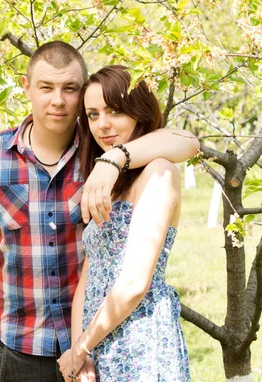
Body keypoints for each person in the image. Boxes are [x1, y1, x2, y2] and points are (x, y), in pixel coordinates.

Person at [0, 41, 198, 382]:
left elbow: (185, 141)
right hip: (24, 344)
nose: (58, 100)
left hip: (102, 340)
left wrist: (112, 160)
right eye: (46, 87)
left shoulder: (103, 147)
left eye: (70, 89)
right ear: (27, 87)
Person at [57, 65, 191, 381]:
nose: (103, 124)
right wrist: (80, 353)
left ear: (139, 113)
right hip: (97, 339)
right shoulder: (108, 186)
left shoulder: (159, 172)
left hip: (140, 339)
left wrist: (114, 158)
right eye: (92, 115)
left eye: (114, 110)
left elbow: (133, 284)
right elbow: (90, 272)